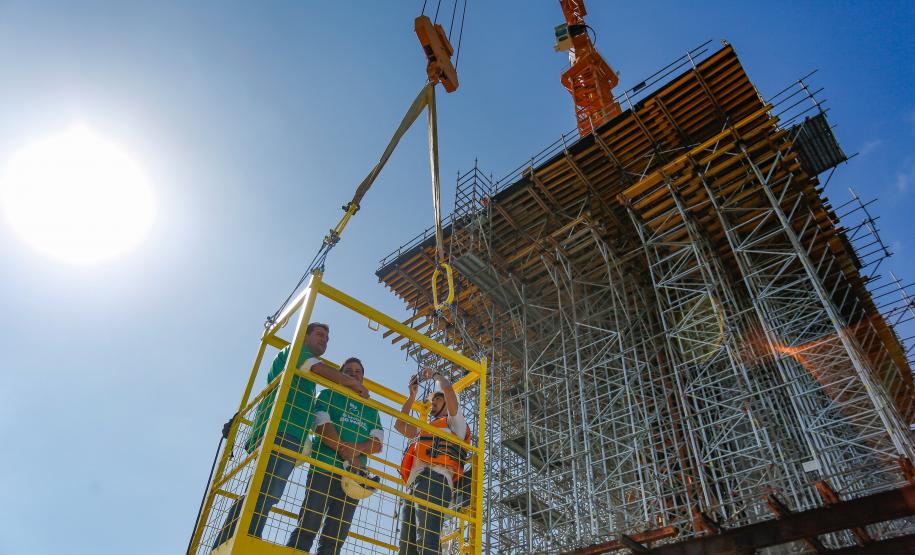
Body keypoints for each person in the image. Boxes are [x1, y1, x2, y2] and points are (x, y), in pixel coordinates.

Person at [213, 322, 368, 550]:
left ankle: (244, 536)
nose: (324, 340)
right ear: (304, 336)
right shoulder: (296, 350)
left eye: (327, 338)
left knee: (267, 491)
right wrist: (352, 383)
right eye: (320, 334)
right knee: (264, 490)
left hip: (290, 434)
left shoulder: (306, 372)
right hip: (281, 430)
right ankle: (237, 539)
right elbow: (321, 370)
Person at [286, 357, 384, 554]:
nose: (354, 373)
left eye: (358, 371)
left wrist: (356, 451)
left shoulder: (370, 408)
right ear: (340, 374)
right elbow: (321, 426)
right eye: (349, 370)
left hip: (353, 477)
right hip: (324, 467)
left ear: (363, 378)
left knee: (336, 537)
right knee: (308, 525)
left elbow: (377, 442)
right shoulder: (327, 394)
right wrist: (349, 454)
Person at [395, 368, 470, 555]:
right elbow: (400, 425)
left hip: (434, 480)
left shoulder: (455, 423)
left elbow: (449, 390)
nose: (433, 402)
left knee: (426, 542)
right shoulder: (425, 429)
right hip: (415, 485)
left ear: (447, 401)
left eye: (437, 398)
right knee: (406, 548)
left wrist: (435, 375)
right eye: (433, 399)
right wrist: (411, 396)